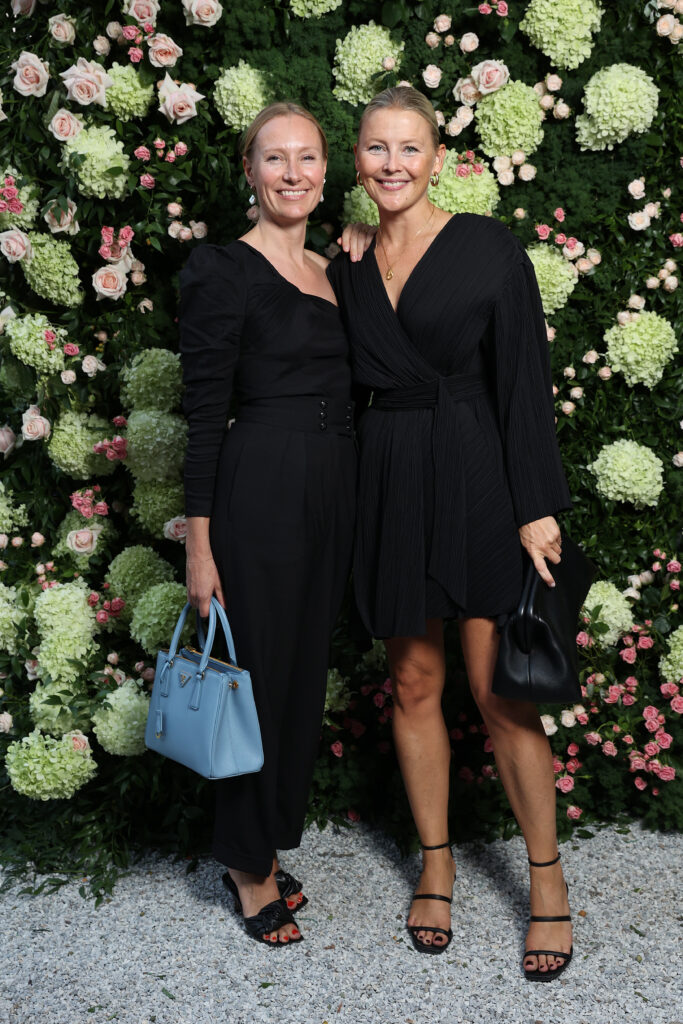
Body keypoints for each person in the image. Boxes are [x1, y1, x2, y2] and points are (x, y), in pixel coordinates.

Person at [328, 87, 573, 980]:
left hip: (475, 474)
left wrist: (534, 506)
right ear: (358, 159)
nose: (391, 163)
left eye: (408, 148)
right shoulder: (347, 263)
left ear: (438, 159)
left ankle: (545, 880)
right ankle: (435, 864)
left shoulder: (484, 246)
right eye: (376, 148)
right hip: (389, 479)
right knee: (412, 682)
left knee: (498, 692)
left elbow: (523, 380)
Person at [179, 102, 356, 948]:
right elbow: (203, 415)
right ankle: (246, 868)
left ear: (325, 172)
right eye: (275, 158)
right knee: (254, 681)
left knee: (297, 677)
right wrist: (200, 547)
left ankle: (267, 842)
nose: (293, 173)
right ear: (249, 172)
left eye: (307, 157)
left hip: (331, 489)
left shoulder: (337, 270)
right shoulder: (223, 270)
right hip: (261, 488)